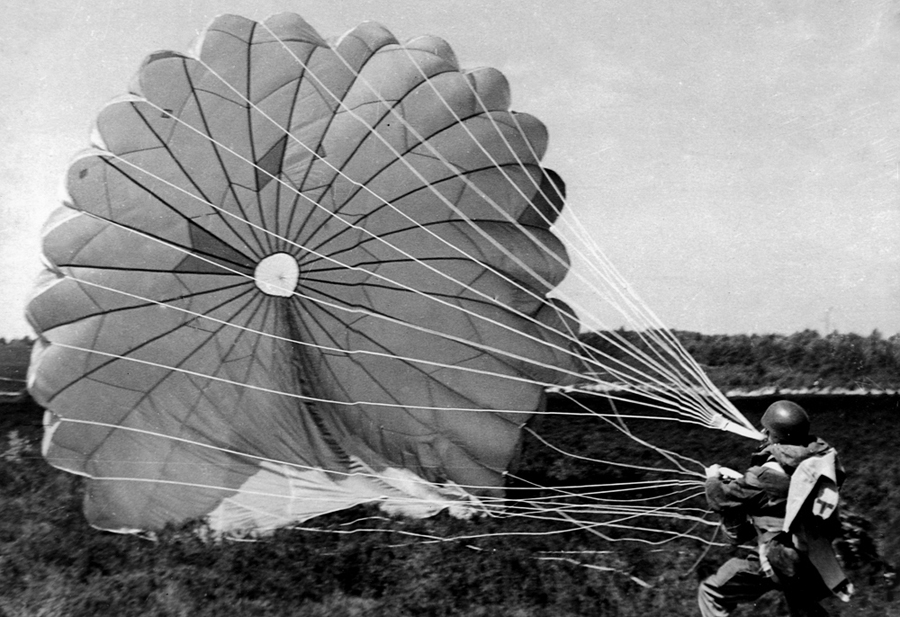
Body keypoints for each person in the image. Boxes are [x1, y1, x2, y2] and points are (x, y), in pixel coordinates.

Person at [697, 400, 853, 617]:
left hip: (780, 559)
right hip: (815, 557)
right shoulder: (813, 461)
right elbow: (777, 494)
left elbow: (720, 499)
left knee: (712, 591)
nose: (762, 432)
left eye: (767, 430)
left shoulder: (763, 475)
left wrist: (712, 477)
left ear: (775, 435)